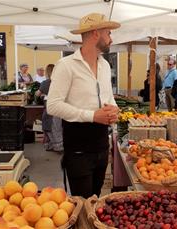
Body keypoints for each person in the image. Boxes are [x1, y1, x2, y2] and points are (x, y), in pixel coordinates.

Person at [47, 13, 120, 198]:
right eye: (108, 33)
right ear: (95, 33)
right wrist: (92, 116)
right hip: (78, 148)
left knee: (95, 200)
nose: (111, 39)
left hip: (102, 145)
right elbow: (53, 106)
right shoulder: (66, 66)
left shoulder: (105, 66)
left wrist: (114, 110)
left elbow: (109, 98)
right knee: (82, 204)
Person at [35, 64, 63, 152]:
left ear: (47, 72)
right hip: (61, 107)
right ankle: (57, 145)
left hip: (50, 108)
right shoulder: (61, 82)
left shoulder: (45, 83)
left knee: (50, 127)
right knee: (58, 127)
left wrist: (42, 93)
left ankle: (57, 146)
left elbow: (37, 94)